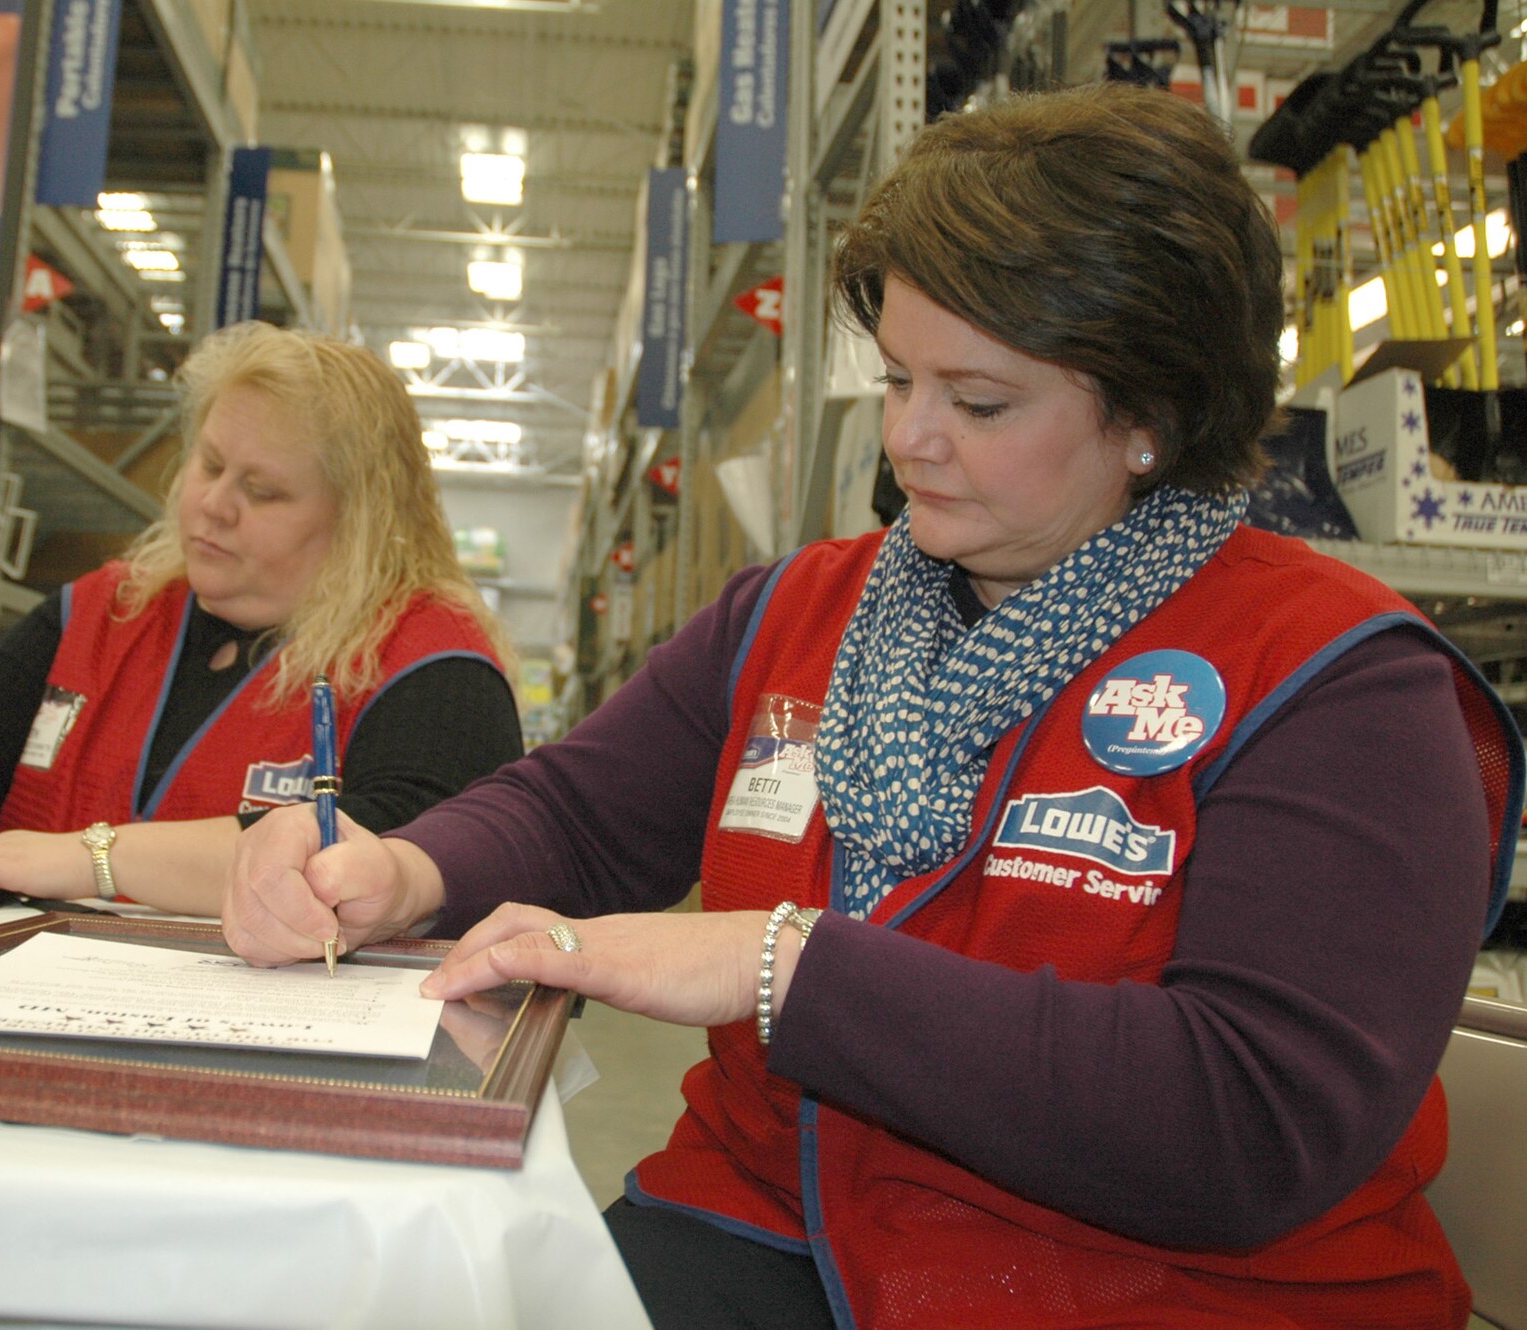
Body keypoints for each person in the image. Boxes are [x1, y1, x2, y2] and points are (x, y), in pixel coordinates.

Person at [222, 82, 1524, 1329]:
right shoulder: (800, 611)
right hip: (765, 1228)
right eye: (898, 378)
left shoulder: (1336, 677)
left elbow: (1250, 1120)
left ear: (1154, 414)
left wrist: (784, 966)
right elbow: (580, 808)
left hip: (1152, 1291)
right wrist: (400, 866)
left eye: (979, 401)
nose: (909, 439)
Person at [0, 320, 520, 917]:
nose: (212, 504)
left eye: (262, 491)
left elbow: (375, 851)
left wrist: (84, 859)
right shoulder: (107, 609)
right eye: (208, 463)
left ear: (362, 518)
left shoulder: (434, 668)